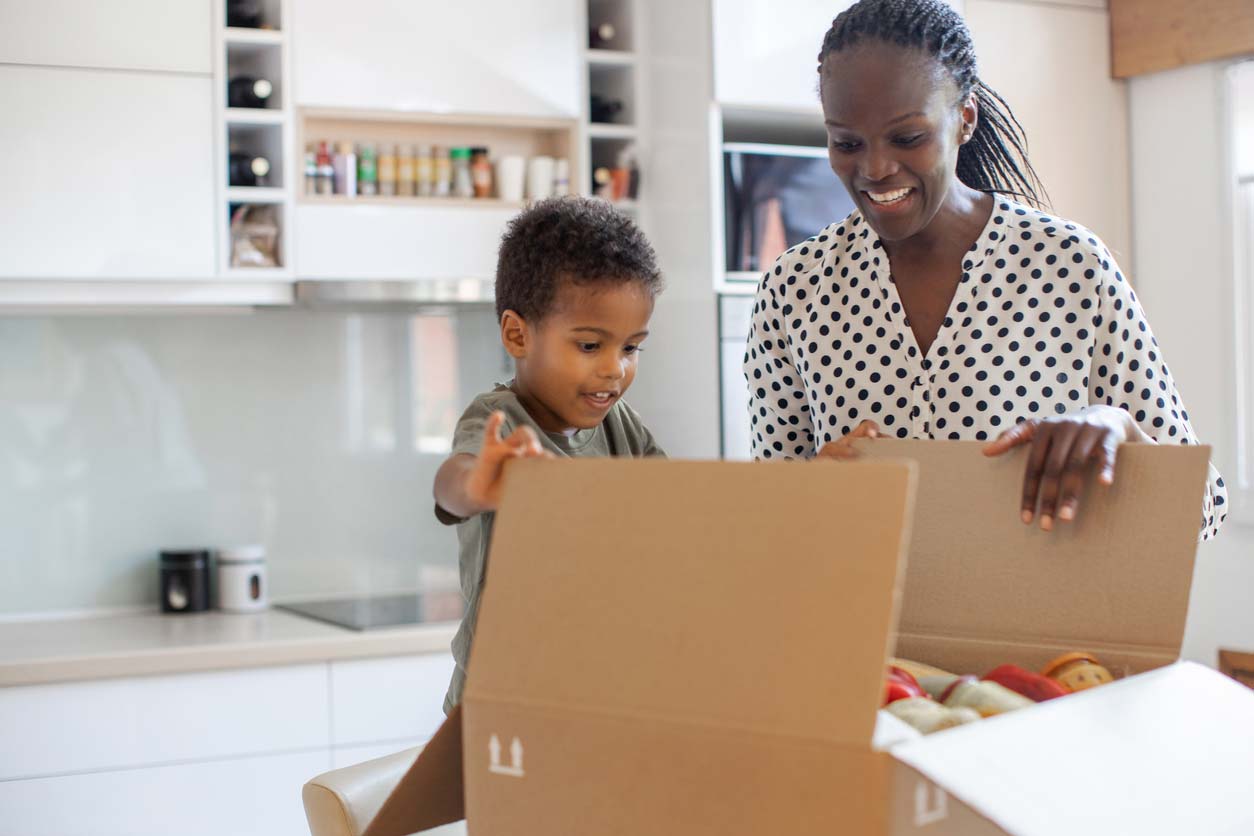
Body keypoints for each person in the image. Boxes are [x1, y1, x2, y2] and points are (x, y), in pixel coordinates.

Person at [743, 0, 1225, 539]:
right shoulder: (794, 288)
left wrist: (1120, 430)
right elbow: (769, 523)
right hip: (856, 622)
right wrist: (810, 491)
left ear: (964, 119)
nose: (875, 169)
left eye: (907, 138)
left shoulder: (1070, 266)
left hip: (1037, 623)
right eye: (847, 143)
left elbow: (1202, 510)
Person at [434, 196, 666, 713]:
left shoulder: (620, 426)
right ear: (518, 334)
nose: (615, 370)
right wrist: (476, 487)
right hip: (500, 701)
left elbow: (686, 506)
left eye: (630, 348)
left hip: (592, 690)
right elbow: (453, 481)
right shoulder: (499, 420)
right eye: (590, 346)